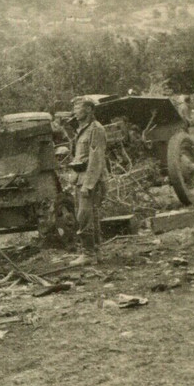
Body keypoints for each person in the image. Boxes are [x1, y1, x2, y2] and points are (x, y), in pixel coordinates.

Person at [69, 96, 107, 265]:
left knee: (84, 216)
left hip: (90, 180)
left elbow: (96, 158)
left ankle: (88, 254)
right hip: (80, 178)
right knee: (89, 216)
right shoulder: (82, 129)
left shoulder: (95, 129)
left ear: (89, 110)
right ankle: (96, 252)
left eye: (78, 108)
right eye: (75, 108)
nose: (75, 111)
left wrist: (88, 184)